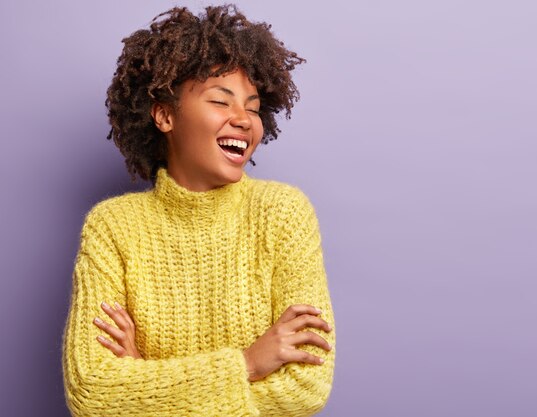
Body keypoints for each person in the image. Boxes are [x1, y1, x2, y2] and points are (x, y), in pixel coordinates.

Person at [61, 4, 336, 416]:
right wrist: (248, 363)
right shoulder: (112, 227)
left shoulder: (283, 214)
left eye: (253, 106)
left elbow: (306, 387)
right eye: (221, 102)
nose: (244, 120)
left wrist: (145, 384)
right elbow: (91, 392)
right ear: (165, 114)